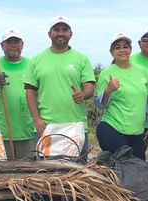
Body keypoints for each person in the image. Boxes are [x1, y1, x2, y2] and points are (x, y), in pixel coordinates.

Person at [23, 15, 95, 154]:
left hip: (75, 127)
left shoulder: (81, 59)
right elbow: (30, 92)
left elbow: (89, 88)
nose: (60, 33)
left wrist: (83, 94)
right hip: (45, 127)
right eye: (56, 29)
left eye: (64, 29)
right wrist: (37, 119)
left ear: (71, 34)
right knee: (46, 173)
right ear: (50, 34)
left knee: (78, 173)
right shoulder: (37, 60)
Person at [95, 33, 148, 160]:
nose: (122, 50)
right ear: (111, 52)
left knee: (138, 169)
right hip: (113, 128)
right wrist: (108, 91)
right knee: (123, 167)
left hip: (137, 132)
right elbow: (99, 105)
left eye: (125, 46)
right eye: (117, 47)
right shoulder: (106, 73)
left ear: (130, 50)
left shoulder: (141, 71)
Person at [0, 28, 36, 159]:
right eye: (9, 42)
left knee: (27, 174)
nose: (13, 45)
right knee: (0, 175)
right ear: (2, 46)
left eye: (16, 41)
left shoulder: (32, 65)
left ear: (22, 44)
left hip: (27, 131)